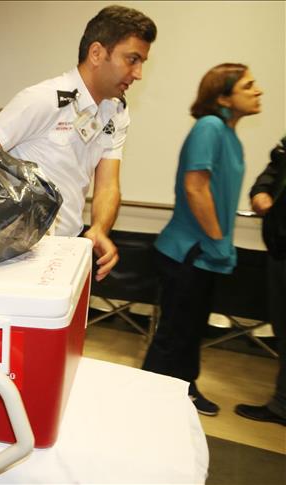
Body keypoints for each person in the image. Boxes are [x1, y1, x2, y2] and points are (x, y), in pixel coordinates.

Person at [0, 5, 157, 281]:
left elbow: (108, 184)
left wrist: (100, 229)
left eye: (142, 63)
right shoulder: (42, 99)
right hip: (17, 253)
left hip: (67, 248)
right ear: (96, 53)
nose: (138, 73)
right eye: (132, 59)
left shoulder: (116, 111)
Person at [142, 64, 263, 416]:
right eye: (249, 86)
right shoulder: (209, 127)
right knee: (173, 334)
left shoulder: (228, 133)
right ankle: (148, 403)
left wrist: (219, 242)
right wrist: (216, 238)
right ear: (223, 97)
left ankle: (185, 389)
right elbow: (196, 188)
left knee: (190, 330)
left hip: (204, 252)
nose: (258, 92)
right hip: (188, 253)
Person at [235, 137, 286, 426]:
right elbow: (275, 166)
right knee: (283, 327)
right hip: (280, 246)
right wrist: (262, 190)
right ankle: (282, 404)